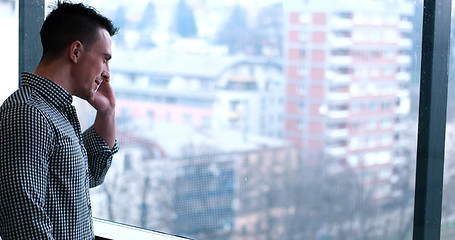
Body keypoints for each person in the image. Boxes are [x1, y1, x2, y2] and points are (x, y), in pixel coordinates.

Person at [0, 1, 119, 239]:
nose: (107, 72)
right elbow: (26, 225)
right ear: (75, 51)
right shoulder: (27, 113)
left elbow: (90, 174)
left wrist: (107, 113)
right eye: (104, 59)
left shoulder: (57, 113)